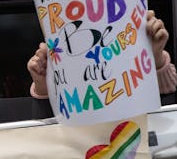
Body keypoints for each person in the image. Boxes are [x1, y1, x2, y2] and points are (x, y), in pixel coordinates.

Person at [28, 9, 177, 102]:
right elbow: (50, 122)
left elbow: (168, 98)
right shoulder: (55, 59)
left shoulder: (133, 40)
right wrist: (44, 85)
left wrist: (154, 56)